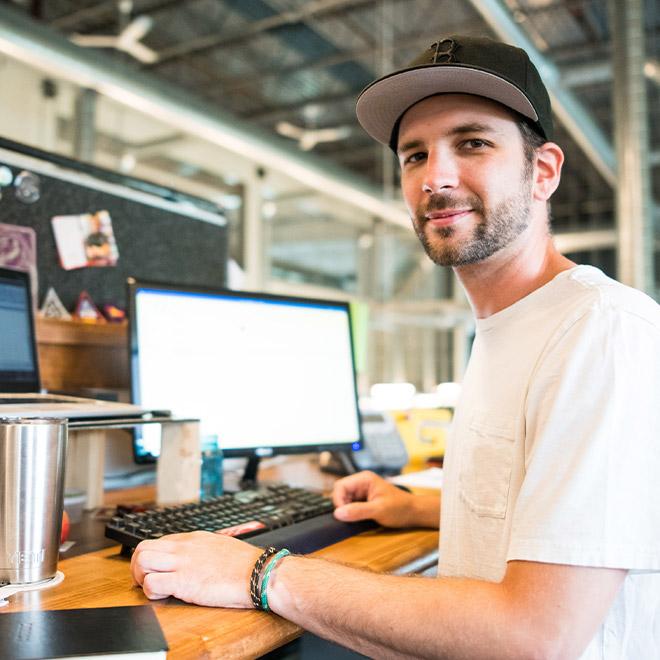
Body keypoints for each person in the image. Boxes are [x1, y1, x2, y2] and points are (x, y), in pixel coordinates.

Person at [131, 36, 660, 658]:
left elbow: (533, 633)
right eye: (414, 155)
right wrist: (418, 508)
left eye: (473, 143)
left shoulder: (601, 332)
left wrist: (258, 574)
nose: (435, 177)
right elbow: (560, 512)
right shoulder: (509, 326)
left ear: (541, 171)